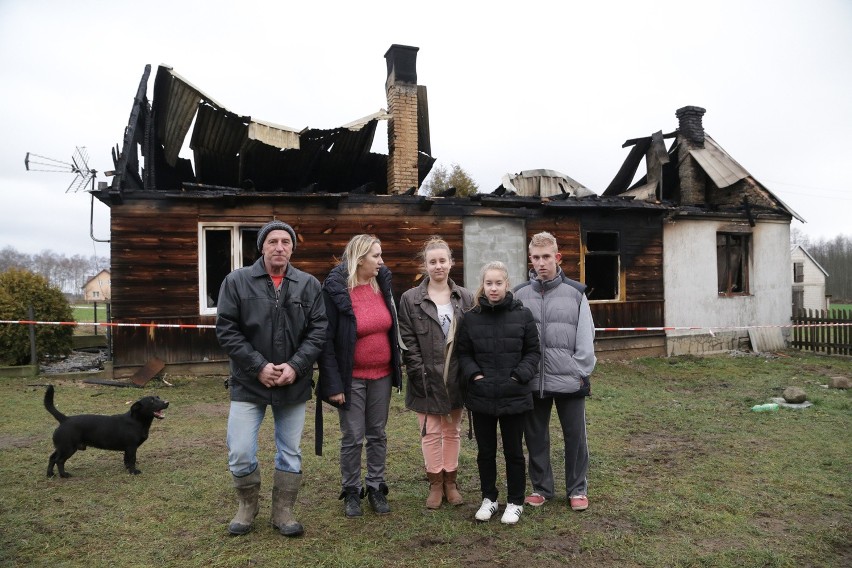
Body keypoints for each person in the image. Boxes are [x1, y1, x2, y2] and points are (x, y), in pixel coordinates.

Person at [216, 220, 327, 537]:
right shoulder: (237, 282)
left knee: (290, 451)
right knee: (239, 450)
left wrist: (296, 366)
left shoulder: (308, 285)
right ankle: (247, 506)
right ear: (261, 246)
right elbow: (227, 330)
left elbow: (318, 332)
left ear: (292, 248)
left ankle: (283, 512)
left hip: (293, 383)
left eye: (286, 242)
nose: (280, 247)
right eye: (273, 241)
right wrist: (258, 366)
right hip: (248, 383)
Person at [316, 234, 402, 518]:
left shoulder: (382, 284)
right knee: (353, 436)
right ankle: (351, 490)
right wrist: (333, 383)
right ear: (360, 258)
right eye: (376, 256)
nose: (381, 261)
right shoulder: (337, 290)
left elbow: (392, 328)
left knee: (377, 434)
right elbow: (326, 341)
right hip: (351, 377)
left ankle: (376, 487)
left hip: (382, 376)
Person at [513, 231, 597, 512]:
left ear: (557, 257)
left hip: (569, 379)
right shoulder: (520, 294)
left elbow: (586, 337)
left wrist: (578, 370)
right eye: (536, 257)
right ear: (530, 259)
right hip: (534, 381)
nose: (541, 263)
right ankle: (541, 488)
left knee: (575, 437)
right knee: (536, 437)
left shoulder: (576, 293)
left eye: (546, 256)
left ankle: (577, 489)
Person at [456, 261, 540, 525]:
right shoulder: (471, 317)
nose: (494, 288)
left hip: (514, 394)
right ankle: (489, 499)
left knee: (514, 452)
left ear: (507, 284)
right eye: (489, 283)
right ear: (483, 285)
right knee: (486, 452)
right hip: (481, 395)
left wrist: (518, 376)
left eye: (499, 283)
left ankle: (515, 501)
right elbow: (464, 353)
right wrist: (475, 375)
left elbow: (533, 352)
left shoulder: (522, 315)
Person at [398, 237, 474, 509]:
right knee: (430, 432)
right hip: (426, 378)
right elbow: (407, 341)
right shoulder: (411, 299)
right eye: (433, 261)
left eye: (443, 260)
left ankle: (451, 482)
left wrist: (466, 374)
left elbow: (470, 339)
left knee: (452, 431)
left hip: (456, 378)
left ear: (451, 263)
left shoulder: (465, 297)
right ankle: (435, 483)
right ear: (425, 265)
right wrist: (419, 373)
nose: (438, 266)